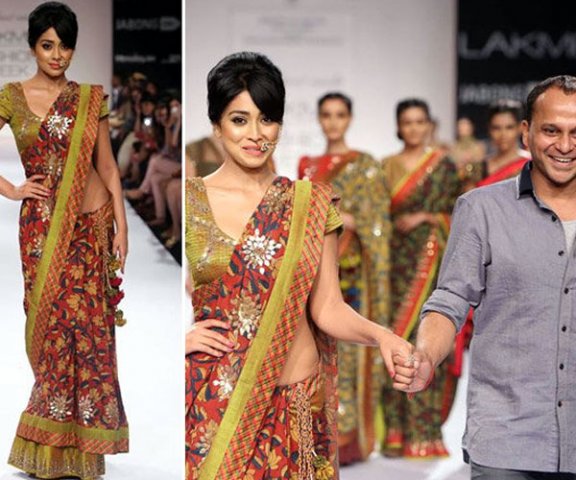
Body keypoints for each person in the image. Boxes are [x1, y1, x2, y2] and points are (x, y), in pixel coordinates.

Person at [185, 51, 413, 480]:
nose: (256, 135)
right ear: (216, 124)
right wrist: (177, 340)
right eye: (239, 120)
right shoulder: (190, 200)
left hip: (295, 404)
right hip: (217, 401)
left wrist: (383, 336)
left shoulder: (310, 203)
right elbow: (177, 290)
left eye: (267, 119)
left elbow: (328, 308)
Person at [394, 75, 576, 479]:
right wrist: (426, 356)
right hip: (506, 438)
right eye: (551, 131)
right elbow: (450, 301)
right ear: (527, 133)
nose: (565, 145)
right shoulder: (481, 209)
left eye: (575, 133)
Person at [0, 3, 129, 478]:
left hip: (91, 225)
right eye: (47, 45)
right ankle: (48, 441)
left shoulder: (90, 98)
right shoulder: (11, 97)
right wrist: (12, 189)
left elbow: (107, 166)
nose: (57, 55)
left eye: (65, 46)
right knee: (52, 329)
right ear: (33, 46)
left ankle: (81, 447)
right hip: (41, 229)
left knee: (89, 332)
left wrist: (122, 223)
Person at [297, 92, 390, 465]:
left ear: (349, 119)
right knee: (314, 353)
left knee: (349, 353)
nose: (332, 122)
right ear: (319, 119)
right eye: (326, 115)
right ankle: (318, 435)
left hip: (351, 274)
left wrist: (339, 219)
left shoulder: (364, 166)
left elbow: (377, 221)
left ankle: (348, 438)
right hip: (313, 272)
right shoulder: (307, 166)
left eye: (339, 115)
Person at [380, 98, 461, 458]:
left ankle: (424, 432)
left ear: (429, 125)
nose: (413, 128)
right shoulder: (385, 166)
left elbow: (460, 215)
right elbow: (376, 217)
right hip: (393, 265)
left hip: (432, 264)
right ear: (399, 127)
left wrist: (428, 219)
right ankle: (395, 430)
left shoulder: (444, 165)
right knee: (394, 339)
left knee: (427, 339)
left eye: (419, 122)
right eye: (407, 122)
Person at [465, 99, 530, 190]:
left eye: (509, 127)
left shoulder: (531, 165)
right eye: (496, 128)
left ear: (520, 128)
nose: (503, 134)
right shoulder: (478, 169)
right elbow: (469, 198)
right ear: (489, 129)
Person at [449, 116, 486, 180]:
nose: (462, 128)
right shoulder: (453, 147)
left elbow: (480, 166)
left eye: (465, 125)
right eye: (460, 126)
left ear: (471, 128)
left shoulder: (478, 146)